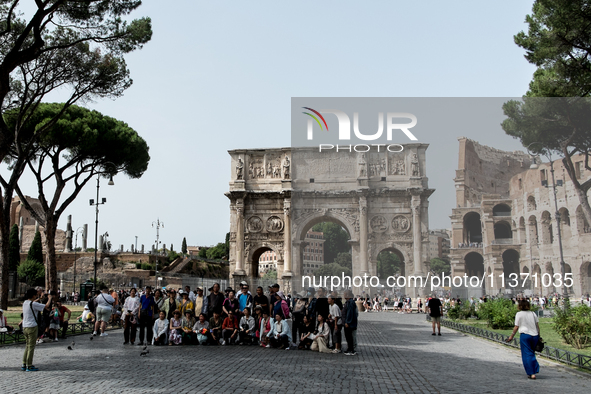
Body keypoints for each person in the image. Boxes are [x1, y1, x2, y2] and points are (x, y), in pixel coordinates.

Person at [506, 299, 541, 379]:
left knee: (526, 354)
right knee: (531, 353)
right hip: (534, 335)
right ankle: (534, 368)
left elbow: (516, 326)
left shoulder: (519, 314)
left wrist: (511, 336)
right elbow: (537, 326)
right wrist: (539, 335)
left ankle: (531, 372)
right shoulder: (533, 314)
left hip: (525, 335)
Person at [22, 288, 53, 371]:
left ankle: (24, 363)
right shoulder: (34, 304)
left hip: (25, 326)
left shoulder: (25, 303)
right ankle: (29, 365)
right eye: (36, 295)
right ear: (33, 295)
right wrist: (49, 298)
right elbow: (46, 306)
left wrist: (40, 299)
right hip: (32, 326)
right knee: (31, 347)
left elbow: (33, 303)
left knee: (27, 346)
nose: (37, 296)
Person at [342, 289, 358, 356]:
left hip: (349, 323)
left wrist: (347, 322)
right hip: (350, 323)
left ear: (347, 295)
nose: (344, 295)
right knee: (348, 336)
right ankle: (349, 348)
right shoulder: (350, 302)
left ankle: (351, 349)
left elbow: (349, 313)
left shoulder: (350, 302)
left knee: (349, 336)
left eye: (345, 294)